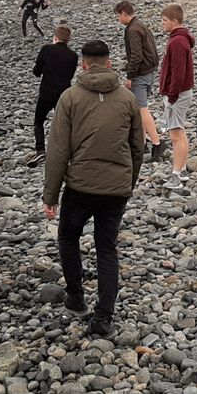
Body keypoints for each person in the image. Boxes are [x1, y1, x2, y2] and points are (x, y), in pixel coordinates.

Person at [43, 39, 144, 336]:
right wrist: (128, 181)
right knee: (106, 248)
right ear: (109, 62)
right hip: (116, 188)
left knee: (68, 237)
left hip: (81, 186)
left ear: (83, 64)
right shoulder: (127, 98)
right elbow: (137, 148)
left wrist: (50, 194)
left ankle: (76, 297)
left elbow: (58, 150)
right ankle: (103, 317)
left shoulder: (70, 97)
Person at [115, 1, 166, 163]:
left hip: (141, 74)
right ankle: (142, 144)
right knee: (139, 109)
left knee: (141, 109)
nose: (118, 19)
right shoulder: (141, 25)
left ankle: (157, 143)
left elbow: (136, 55)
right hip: (149, 71)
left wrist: (130, 76)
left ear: (124, 13)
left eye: (118, 16)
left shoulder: (133, 30)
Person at [27, 24, 78, 166]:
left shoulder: (46, 49)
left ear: (55, 37)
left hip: (46, 93)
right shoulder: (73, 56)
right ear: (68, 39)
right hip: (63, 94)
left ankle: (40, 150)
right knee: (63, 123)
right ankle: (64, 151)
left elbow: (36, 72)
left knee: (39, 121)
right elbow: (70, 75)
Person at [157, 4, 195, 190]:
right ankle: (183, 169)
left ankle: (176, 175)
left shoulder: (177, 42)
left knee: (176, 135)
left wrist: (171, 97)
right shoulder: (179, 40)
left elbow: (178, 73)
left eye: (164, 21)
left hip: (178, 94)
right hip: (180, 93)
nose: (162, 24)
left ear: (174, 21)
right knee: (179, 131)